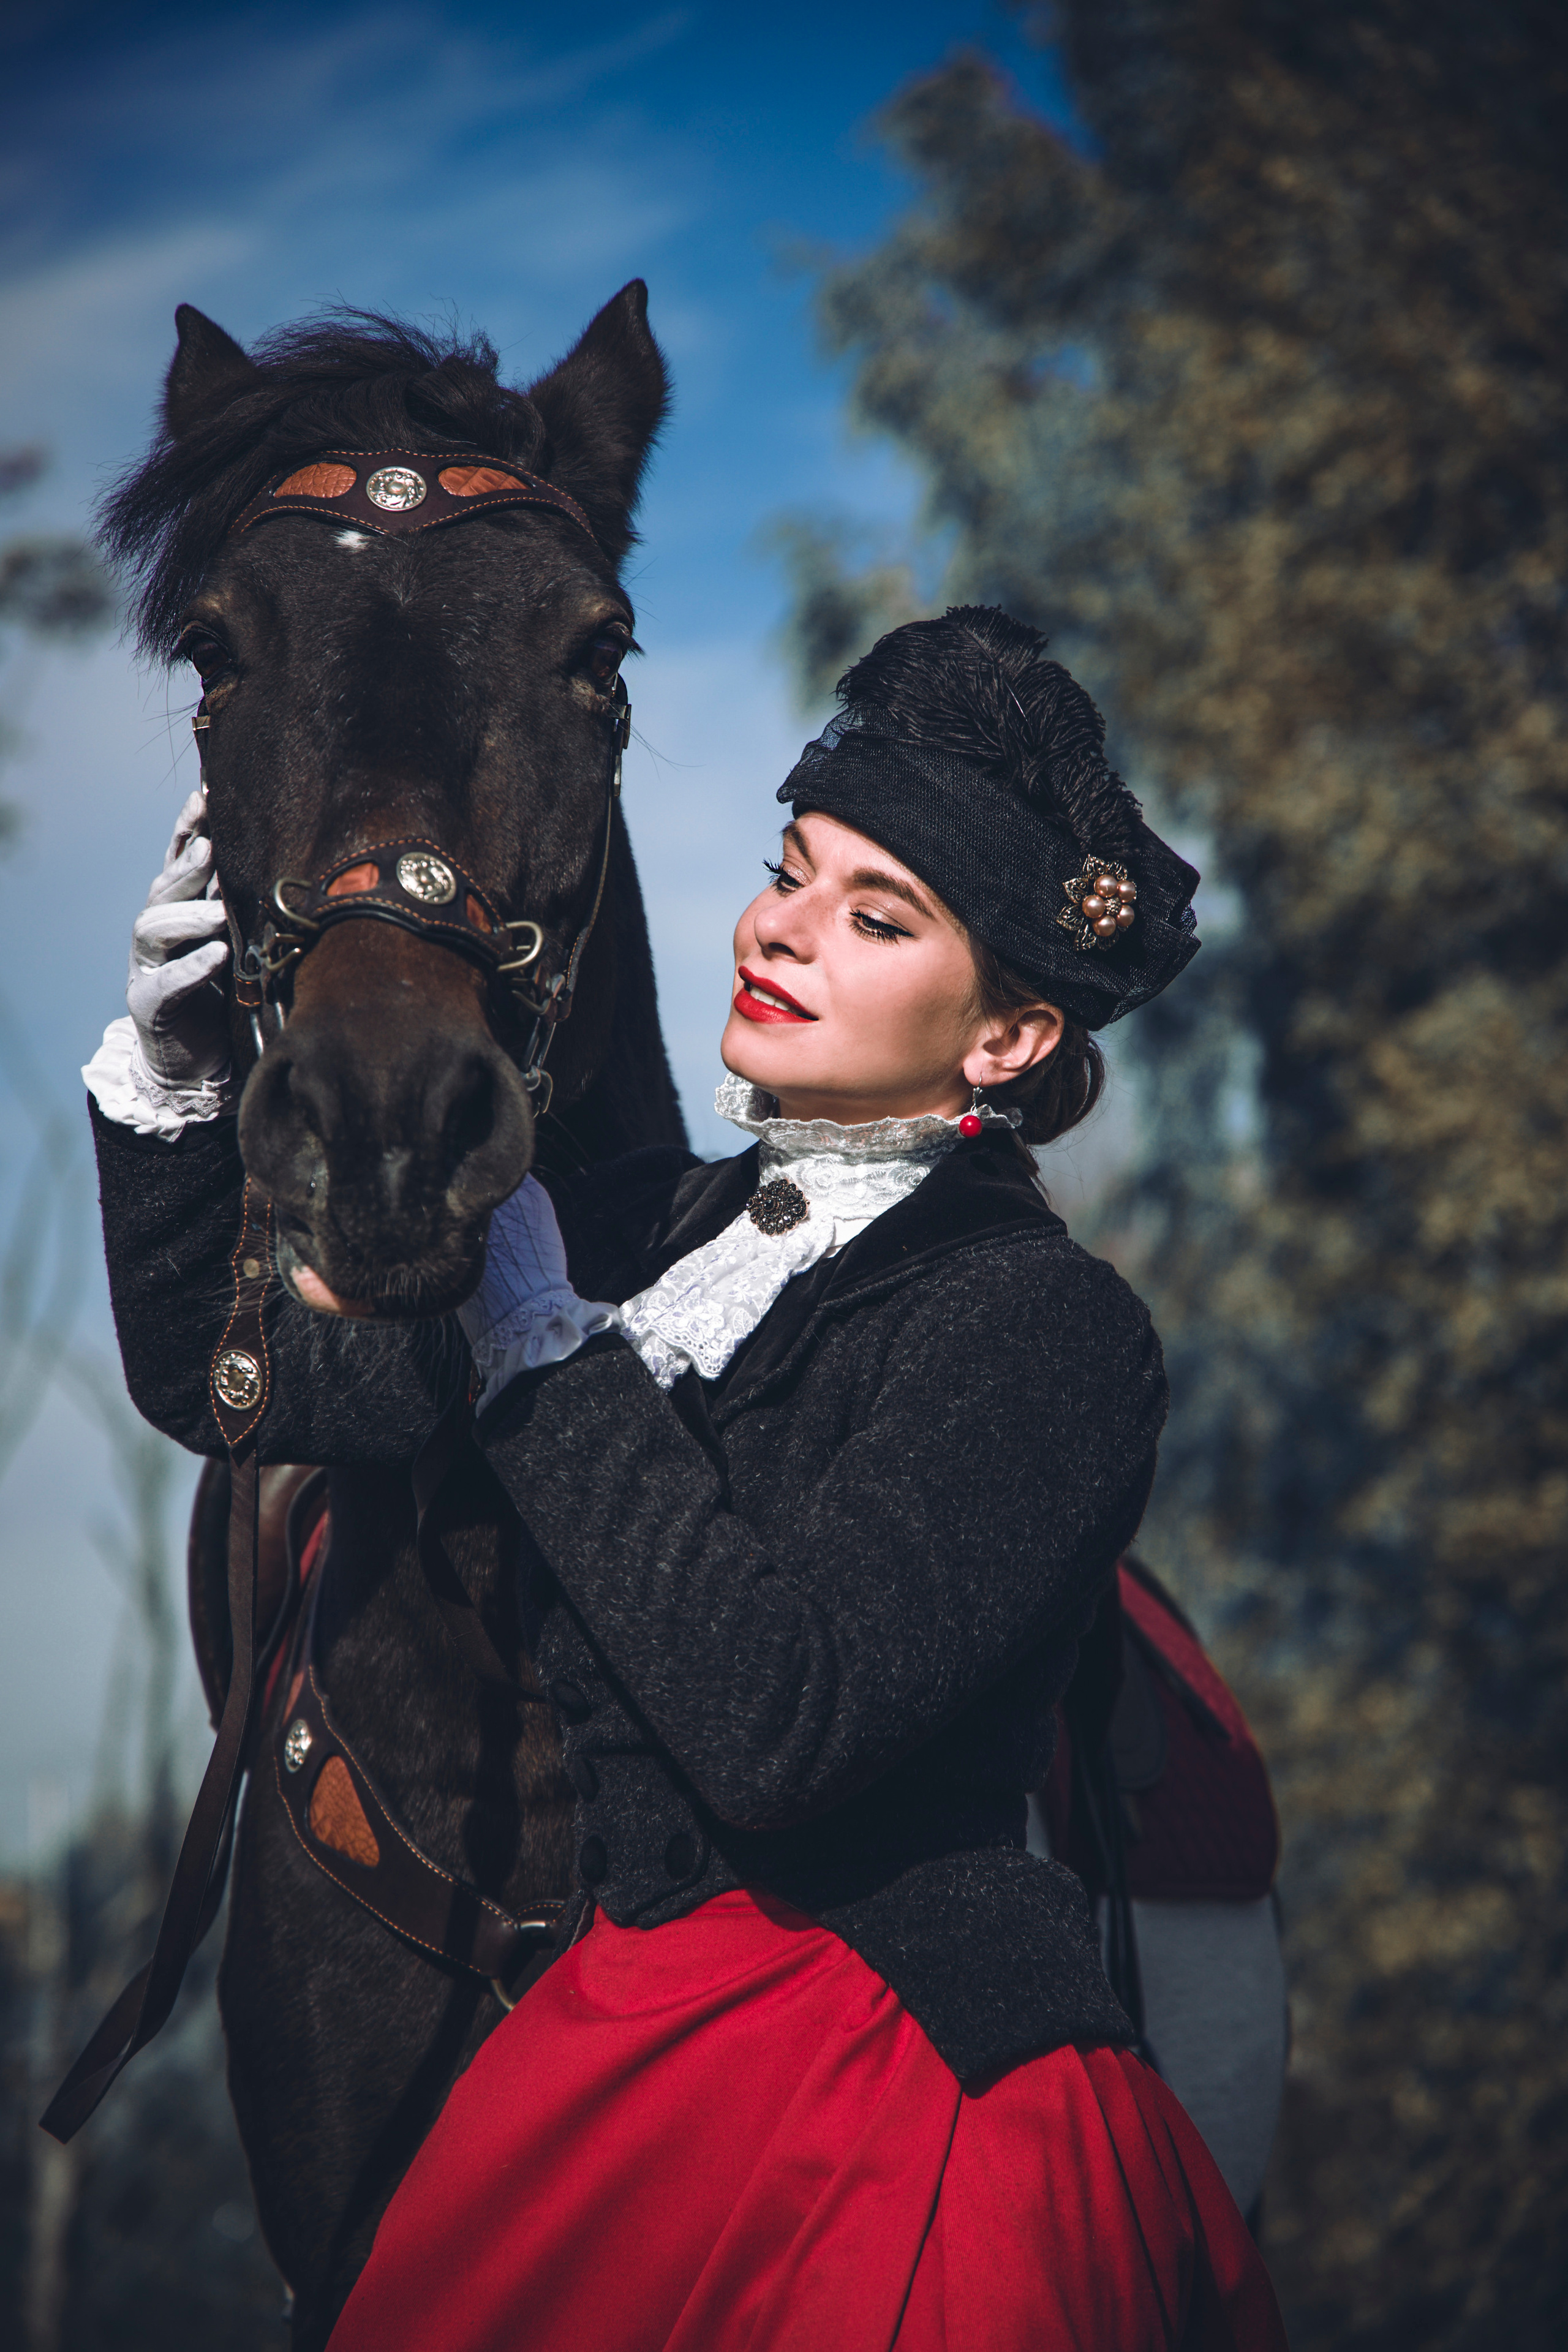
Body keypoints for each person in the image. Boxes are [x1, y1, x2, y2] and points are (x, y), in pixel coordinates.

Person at [86, 608, 1287, 2349]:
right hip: (630, 2031)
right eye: (790, 873)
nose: (782, 934)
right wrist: (181, 1086)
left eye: (873, 919)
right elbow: (241, 1385)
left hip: (904, 2096)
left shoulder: (1045, 1326)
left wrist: (547, 1354)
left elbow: (781, 1727)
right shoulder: (645, 1235)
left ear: (1012, 1041)